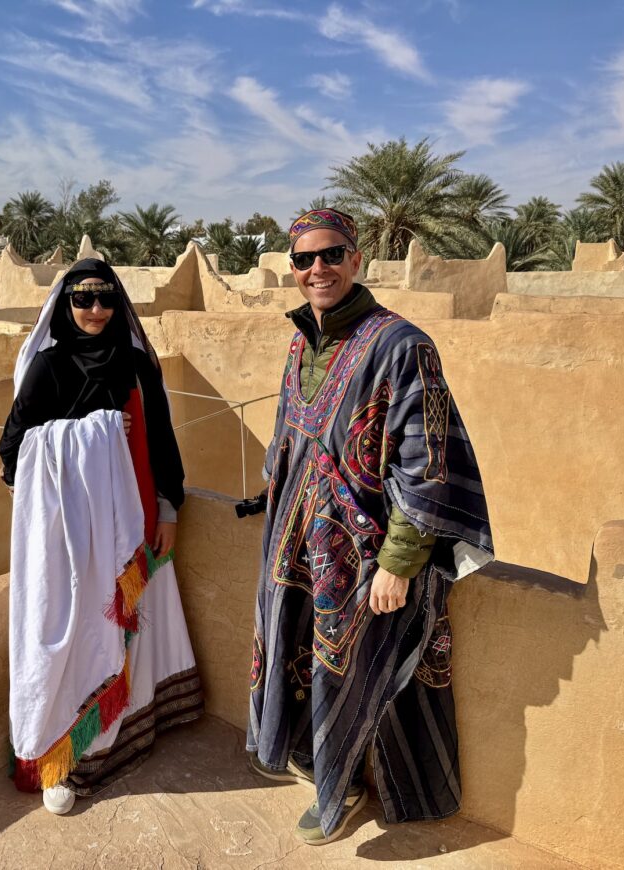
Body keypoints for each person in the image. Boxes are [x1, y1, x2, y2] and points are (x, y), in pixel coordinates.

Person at [246, 209, 494, 845]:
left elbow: (427, 458)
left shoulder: (402, 346)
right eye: (303, 260)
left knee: (358, 671)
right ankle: (327, 771)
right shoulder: (302, 340)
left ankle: (344, 792)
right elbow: (289, 436)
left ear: (357, 260)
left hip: (364, 559)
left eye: (331, 255)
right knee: (307, 663)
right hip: (299, 549)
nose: (317, 270)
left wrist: (398, 562)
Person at [0, 258, 202, 815]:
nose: (95, 310)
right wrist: (95, 435)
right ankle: (71, 757)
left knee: (134, 629)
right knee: (82, 635)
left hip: (134, 524)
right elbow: (13, 454)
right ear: (65, 305)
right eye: (82, 299)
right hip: (73, 544)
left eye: (106, 298)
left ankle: (136, 727)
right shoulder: (47, 367)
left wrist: (167, 510)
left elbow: (161, 439)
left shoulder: (137, 363)